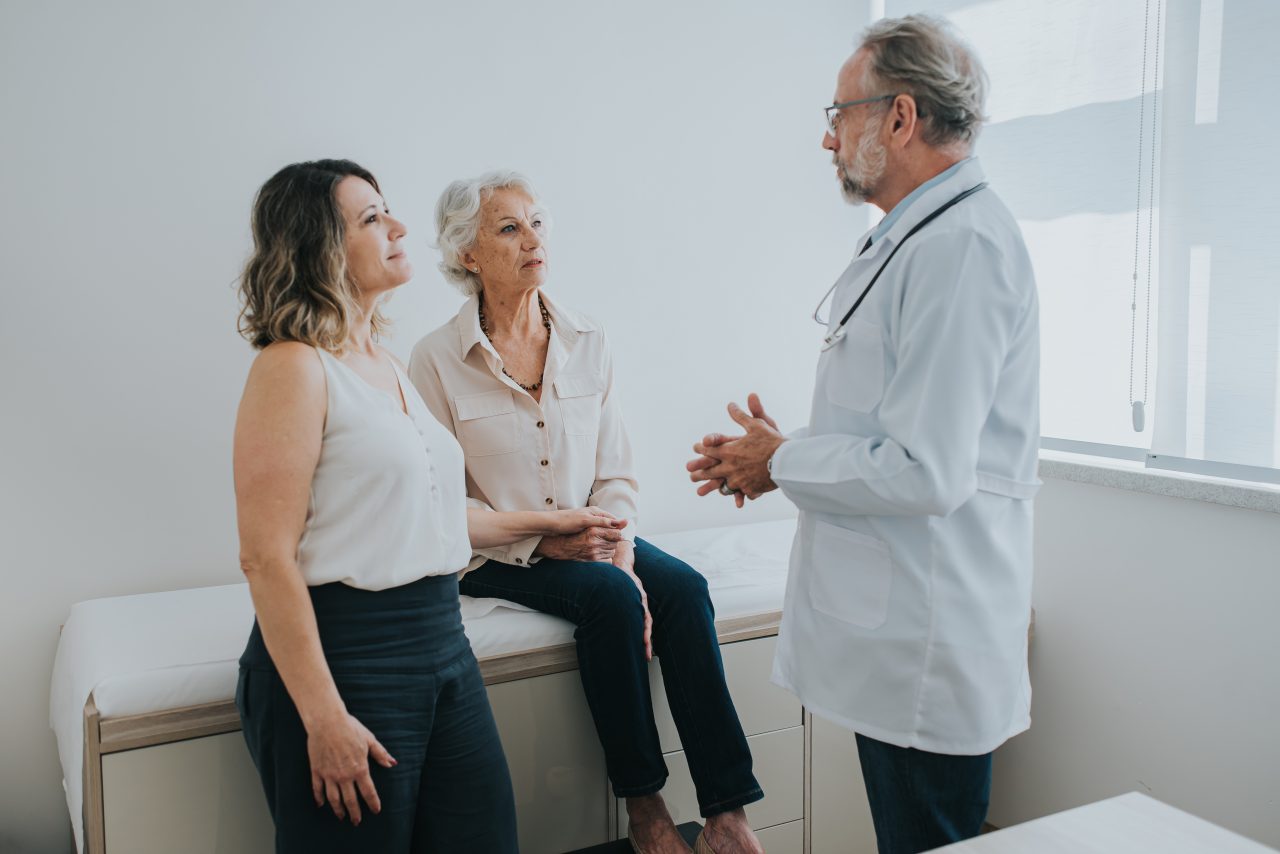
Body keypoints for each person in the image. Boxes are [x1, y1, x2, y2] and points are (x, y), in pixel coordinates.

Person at [687, 15, 1040, 854]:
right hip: (900, 636)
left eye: (840, 114)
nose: (827, 138)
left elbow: (927, 469)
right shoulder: (920, 238)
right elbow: (895, 424)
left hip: (927, 646)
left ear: (901, 117)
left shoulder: (960, 248)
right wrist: (777, 456)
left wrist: (783, 460)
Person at [232, 158, 624, 853]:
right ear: (321, 245)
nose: (398, 227)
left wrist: (550, 523)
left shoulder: (385, 366)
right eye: (371, 218)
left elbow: (437, 517)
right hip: (352, 657)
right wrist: (323, 717)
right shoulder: (292, 366)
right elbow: (266, 557)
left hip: (443, 647)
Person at [408, 171, 764, 854]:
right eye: (509, 228)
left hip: (593, 535)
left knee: (684, 589)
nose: (532, 239)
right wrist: (546, 541)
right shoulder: (435, 360)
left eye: (537, 222)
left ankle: (727, 815)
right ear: (467, 255)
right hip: (493, 552)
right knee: (609, 599)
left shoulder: (588, 338)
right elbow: (442, 504)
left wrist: (620, 552)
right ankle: (646, 808)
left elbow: (616, 470)